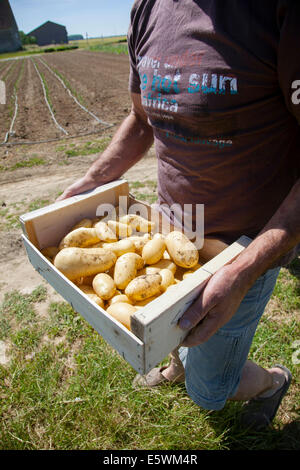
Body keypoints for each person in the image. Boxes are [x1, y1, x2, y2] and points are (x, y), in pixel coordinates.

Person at [57, 0, 300, 430]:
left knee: (208, 394)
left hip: (241, 247)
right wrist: (91, 182)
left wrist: (244, 271)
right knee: (161, 305)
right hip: (170, 229)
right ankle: (178, 364)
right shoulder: (147, 7)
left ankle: (271, 382)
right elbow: (141, 117)